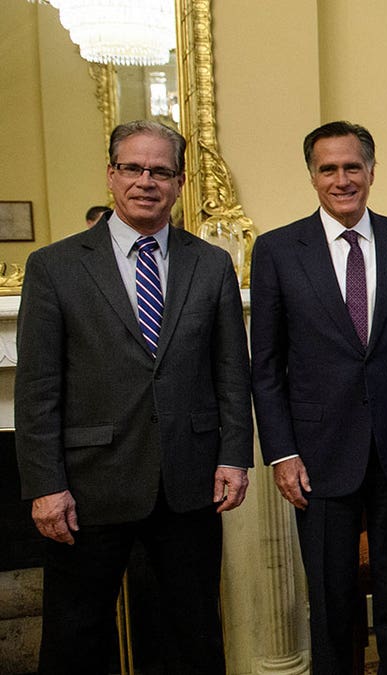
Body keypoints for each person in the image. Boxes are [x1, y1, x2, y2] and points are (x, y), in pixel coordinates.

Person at [14, 119, 252, 674]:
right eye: (133, 168)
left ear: (180, 181)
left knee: (192, 634)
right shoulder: (55, 267)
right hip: (88, 487)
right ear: (111, 175)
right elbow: (38, 390)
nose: (146, 181)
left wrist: (234, 456)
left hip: (188, 484)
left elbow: (230, 373)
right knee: (76, 636)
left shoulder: (211, 263)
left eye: (161, 171)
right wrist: (46, 485)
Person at [250, 121, 387, 674]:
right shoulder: (276, 250)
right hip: (317, 452)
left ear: (371, 170)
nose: (342, 179)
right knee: (331, 592)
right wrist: (281, 452)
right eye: (328, 168)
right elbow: (264, 367)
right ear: (313, 175)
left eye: (352, 166)